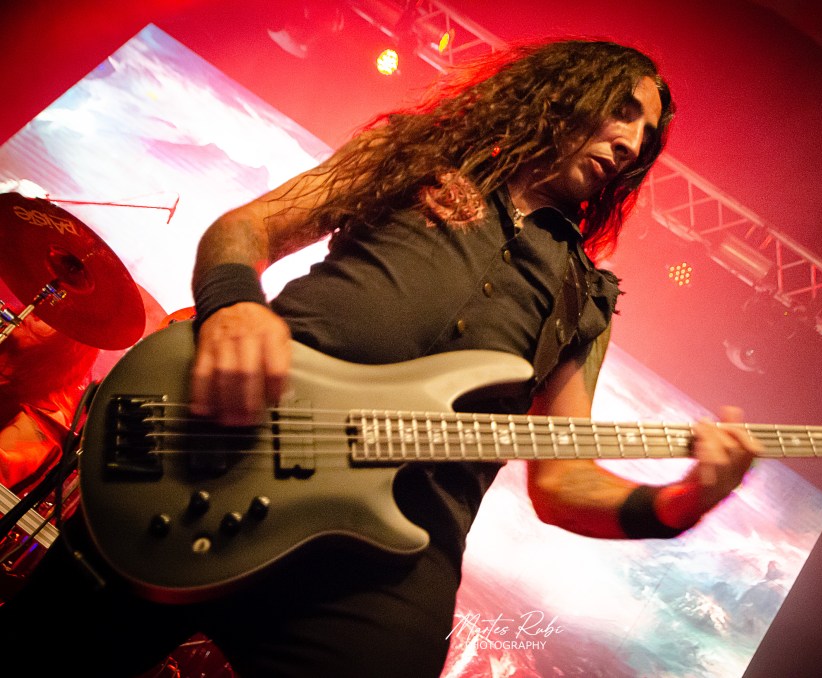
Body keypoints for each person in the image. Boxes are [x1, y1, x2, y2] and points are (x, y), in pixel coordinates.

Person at [0, 39, 759, 676]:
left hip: (386, 563)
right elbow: (249, 227)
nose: (632, 144)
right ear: (566, 91)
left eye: (646, 138)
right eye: (624, 110)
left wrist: (676, 505)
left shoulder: (585, 298)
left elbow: (563, 481)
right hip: (221, 452)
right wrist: (233, 306)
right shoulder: (418, 157)